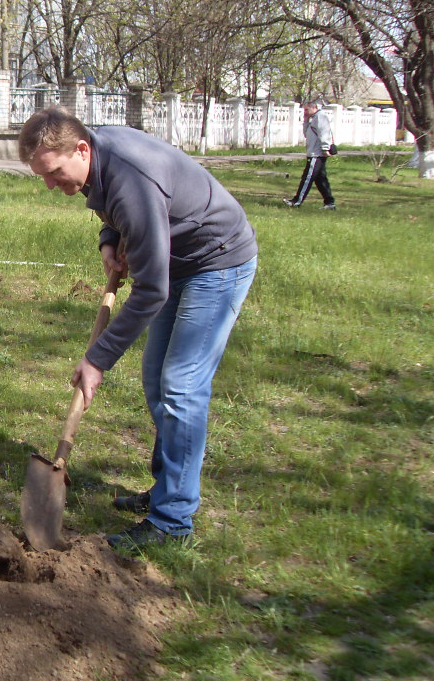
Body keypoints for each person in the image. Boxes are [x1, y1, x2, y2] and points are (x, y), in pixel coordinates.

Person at [18, 106, 258, 550]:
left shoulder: (130, 178)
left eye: (53, 173)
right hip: (177, 262)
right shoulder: (97, 155)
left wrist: (97, 359)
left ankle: (172, 521)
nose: (50, 185)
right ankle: (169, 487)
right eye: (43, 176)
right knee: (156, 381)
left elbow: (150, 290)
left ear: (81, 149)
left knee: (181, 387)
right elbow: (116, 210)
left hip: (215, 262)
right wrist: (110, 240)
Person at [284, 98, 337, 210]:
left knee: (307, 178)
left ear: (314, 108)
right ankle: (330, 202)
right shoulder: (314, 118)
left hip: (316, 154)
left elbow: (324, 133)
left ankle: (296, 201)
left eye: (307, 110)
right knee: (320, 180)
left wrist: (325, 148)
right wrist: (306, 120)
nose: (305, 112)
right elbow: (306, 134)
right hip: (314, 153)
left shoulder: (320, 117)